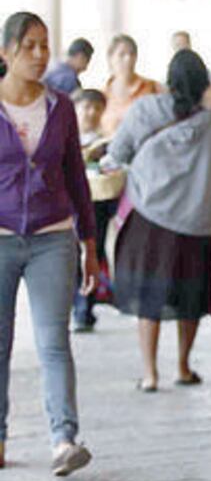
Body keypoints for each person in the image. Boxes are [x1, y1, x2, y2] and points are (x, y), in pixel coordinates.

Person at [108, 49, 211, 392]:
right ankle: (184, 367)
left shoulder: (144, 109)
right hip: (194, 225)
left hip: (149, 217)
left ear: (169, 81)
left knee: (149, 296)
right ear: (205, 84)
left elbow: (117, 153)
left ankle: (150, 373)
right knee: (190, 296)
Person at [0, 12, 96, 476]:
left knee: (54, 342)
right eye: (29, 47)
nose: (39, 55)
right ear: (6, 53)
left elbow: (76, 176)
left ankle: (64, 439)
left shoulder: (60, 106)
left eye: (44, 45)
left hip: (53, 237)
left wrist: (91, 243)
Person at [71, 89, 112, 332]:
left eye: (97, 108)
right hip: (68, 207)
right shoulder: (64, 137)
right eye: (86, 107)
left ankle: (84, 309)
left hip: (98, 204)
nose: (91, 112)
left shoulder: (106, 142)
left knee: (93, 253)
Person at [101, 34, 162, 135]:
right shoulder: (102, 94)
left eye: (132, 54)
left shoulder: (153, 88)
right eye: (122, 55)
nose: (128, 59)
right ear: (110, 58)